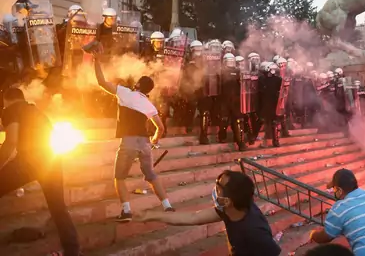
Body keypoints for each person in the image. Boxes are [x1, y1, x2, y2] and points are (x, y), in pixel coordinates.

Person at [93, 53, 174, 222]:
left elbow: (101, 82)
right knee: (151, 175)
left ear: (137, 85)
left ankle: (127, 211)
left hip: (128, 142)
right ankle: (167, 206)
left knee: (119, 177)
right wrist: (154, 141)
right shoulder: (149, 104)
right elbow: (160, 127)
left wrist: (96, 60)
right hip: (144, 143)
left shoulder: (125, 93)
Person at [0, 87, 81, 256]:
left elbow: (11, 142)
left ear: (6, 100)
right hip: (52, 160)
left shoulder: (11, 109)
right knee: (59, 208)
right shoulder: (35, 110)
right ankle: (72, 251)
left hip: (29, 161)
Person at [136, 170, 281, 256]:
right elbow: (193, 217)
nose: (214, 191)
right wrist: (150, 215)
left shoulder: (255, 232)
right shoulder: (231, 209)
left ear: (227, 201)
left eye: (218, 189)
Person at [309, 169, 365, 255]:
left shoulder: (340, 208)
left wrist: (313, 234)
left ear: (339, 190)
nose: (333, 192)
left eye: (334, 189)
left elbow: (325, 237)